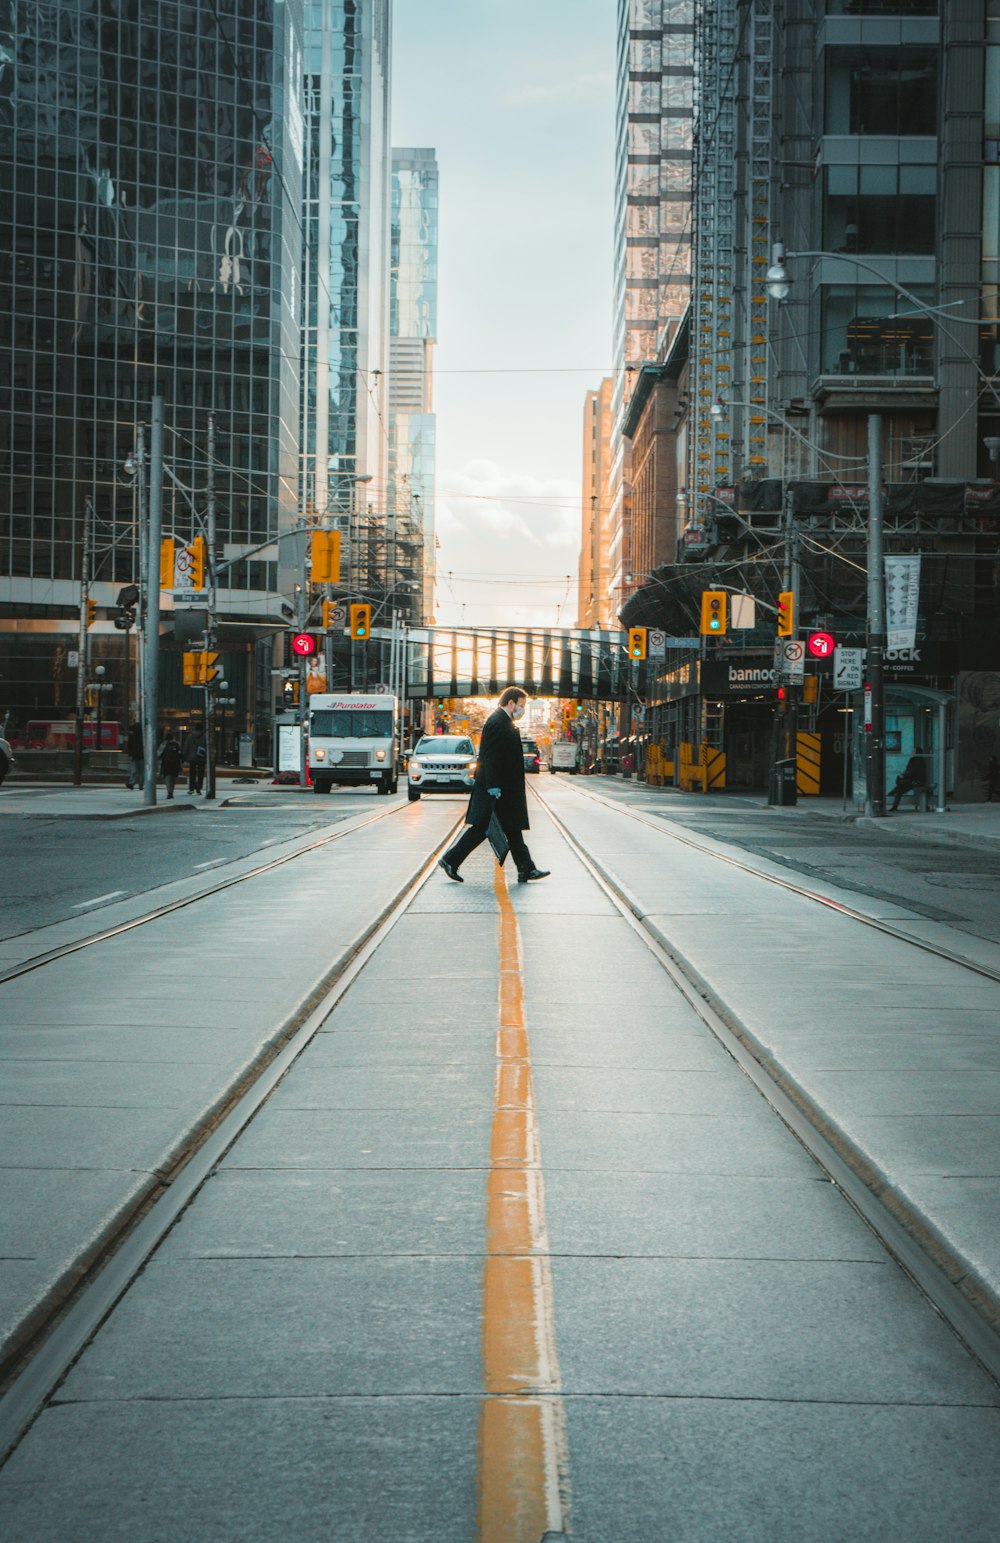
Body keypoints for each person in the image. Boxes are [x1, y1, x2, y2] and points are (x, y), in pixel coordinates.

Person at [438, 685, 550, 885]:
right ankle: (450, 860)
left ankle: (526, 869)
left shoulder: (502, 721)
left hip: (503, 788)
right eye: (521, 705)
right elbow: (490, 757)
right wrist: (493, 786)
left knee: (512, 828)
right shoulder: (498, 722)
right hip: (498, 789)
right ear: (511, 702)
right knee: (482, 828)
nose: (522, 710)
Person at [890, 745, 928, 812]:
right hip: (911, 780)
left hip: (916, 781)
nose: (912, 752)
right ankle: (894, 805)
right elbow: (908, 770)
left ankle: (894, 792)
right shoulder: (913, 760)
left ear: (917, 753)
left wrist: (904, 776)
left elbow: (913, 772)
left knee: (900, 785)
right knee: (899, 789)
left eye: (914, 751)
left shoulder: (919, 761)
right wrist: (903, 775)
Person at [157, 728, 183, 799]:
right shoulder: (177, 744)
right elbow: (180, 754)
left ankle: (169, 791)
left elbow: (158, 754)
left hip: (166, 764)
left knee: (167, 778)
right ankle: (171, 791)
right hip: (175, 764)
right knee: (173, 778)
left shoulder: (163, 744)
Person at [183, 723, 206, 793]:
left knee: (192, 773)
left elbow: (186, 747)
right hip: (202, 757)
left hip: (192, 757)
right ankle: (199, 788)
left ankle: (191, 788)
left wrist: (184, 756)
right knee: (201, 773)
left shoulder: (190, 736)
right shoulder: (205, 737)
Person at [126, 720, 144, 789]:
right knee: (140, 771)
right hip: (140, 756)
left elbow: (129, 746)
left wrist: (130, 754)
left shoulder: (132, 736)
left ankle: (133, 783)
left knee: (134, 771)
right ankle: (140, 784)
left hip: (134, 756)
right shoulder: (143, 736)